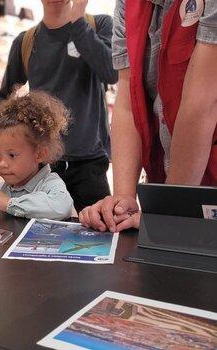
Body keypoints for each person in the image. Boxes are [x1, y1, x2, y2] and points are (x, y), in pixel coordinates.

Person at [79, 0, 217, 232]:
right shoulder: (127, 4)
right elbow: (128, 100)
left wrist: (170, 210)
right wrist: (123, 200)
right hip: (170, 181)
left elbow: (202, 104)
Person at [0, 0, 118, 212]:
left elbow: (111, 72)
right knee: (35, 237)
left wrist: (78, 23)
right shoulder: (26, 42)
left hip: (90, 164)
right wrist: (10, 144)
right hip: (42, 168)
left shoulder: (99, 25)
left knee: (99, 235)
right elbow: (3, 98)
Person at [0, 91, 74, 219]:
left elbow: (62, 207)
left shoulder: (50, 184)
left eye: (12, 155)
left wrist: (9, 204)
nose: (1, 163)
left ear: (39, 155)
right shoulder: (4, 188)